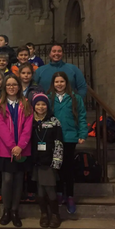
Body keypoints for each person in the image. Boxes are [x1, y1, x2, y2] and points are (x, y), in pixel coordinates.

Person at [47, 71, 87, 214]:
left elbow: (81, 116)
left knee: (68, 169)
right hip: (53, 138)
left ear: (66, 83)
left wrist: (83, 133)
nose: (59, 84)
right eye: (57, 82)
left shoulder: (75, 98)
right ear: (53, 83)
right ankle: (58, 193)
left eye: (62, 82)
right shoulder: (49, 98)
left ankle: (69, 196)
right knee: (56, 167)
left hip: (70, 137)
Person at [0, 74, 33, 228]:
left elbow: (28, 126)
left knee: (19, 180)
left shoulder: (26, 104)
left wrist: (21, 146)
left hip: (22, 149)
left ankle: (15, 210)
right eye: (8, 85)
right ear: (5, 87)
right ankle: (6, 210)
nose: (11, 87)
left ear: (19, 86)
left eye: (14, 84)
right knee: (7, 180)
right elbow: (2, 128)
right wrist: (12, 146)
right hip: (6, 149)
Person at [31, 93, 63, 228]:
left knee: (50, 188)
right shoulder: (30, 121)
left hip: (49, 161)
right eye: (38, 104)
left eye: (43, 104)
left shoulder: (54, 121)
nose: (40, 107)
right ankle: (44, 213)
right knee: (39, 190)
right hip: (35, 161)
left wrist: (56, 161)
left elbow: (58, 143)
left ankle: (55, 214)